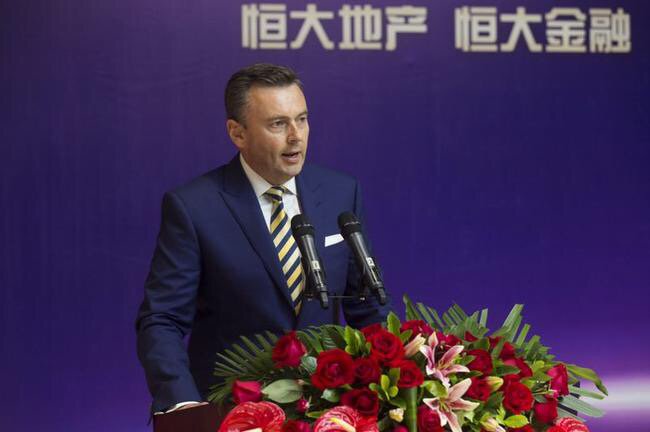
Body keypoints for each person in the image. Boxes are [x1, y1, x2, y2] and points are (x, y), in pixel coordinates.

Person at [136, 63, 391, 414]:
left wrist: (400, 379)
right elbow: (162, 319)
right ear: (237, 133)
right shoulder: (194, 207)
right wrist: (184, 404)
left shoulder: (340, 193)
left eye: (302, 119)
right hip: (232, 411)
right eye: (278, 124)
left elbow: (369, 306)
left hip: (324, 409)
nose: (296, 136)